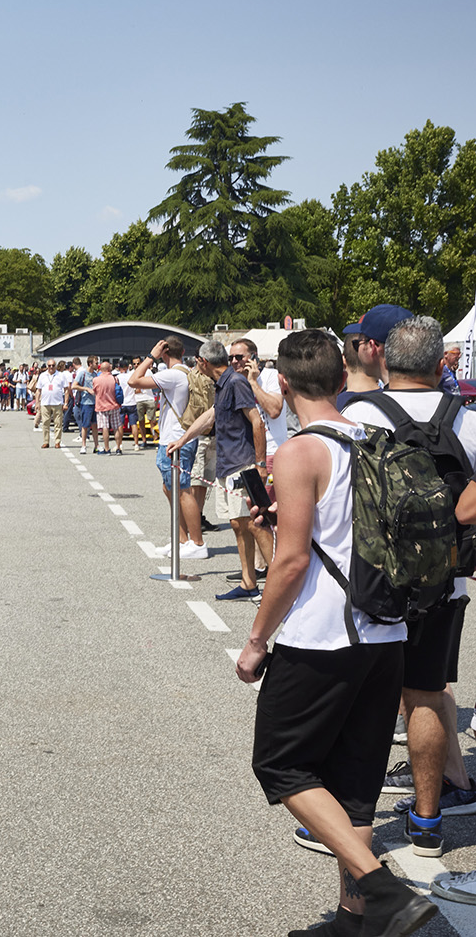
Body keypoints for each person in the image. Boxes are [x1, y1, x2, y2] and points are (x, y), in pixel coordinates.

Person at [236, 329, 437, 937]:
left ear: (285, 384)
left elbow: (292, 561)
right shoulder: (375, 439)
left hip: (323, 636)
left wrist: (256, 640)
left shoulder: (298, 452)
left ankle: (381, 890)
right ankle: (357, 920)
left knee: (281, 765)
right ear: (341, 375)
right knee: (355, 782)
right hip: (386, 633)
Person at [341, 313, 476, 863]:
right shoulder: (467, 420)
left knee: (366, 698)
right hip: (446, 577)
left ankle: (355, 821)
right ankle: (427, 820)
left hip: (375, 578)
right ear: (439, 363)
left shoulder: (357, 416)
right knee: (425, 693)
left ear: (385, 359)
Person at [172, 341, 274, 601]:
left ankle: (277, 584)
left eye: (197, 362)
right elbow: (211, 416)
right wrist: (183, 440)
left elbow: (257, 421)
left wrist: (260, 464)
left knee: (255, 523)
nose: (197, 366)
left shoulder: (236, 382)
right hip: (228, 465)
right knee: (238, 525)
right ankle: (248, 581)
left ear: (204, 362)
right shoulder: (222, 385)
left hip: (243, 464)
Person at [129, 337, 206, 560]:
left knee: (182, 490)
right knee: (170, 488)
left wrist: (151, 356)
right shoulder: (186, 371)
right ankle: (181, 540)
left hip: (176, 438)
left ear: (164, 353)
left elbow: (134, 381)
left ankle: (197, 542)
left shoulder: (173, 375)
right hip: (178, 437)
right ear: (182, 351)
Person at [36, 361, 69, 448]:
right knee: (45, 423)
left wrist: (66, 403)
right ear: (47, 366)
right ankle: (46, 441)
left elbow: (66, 390)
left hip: (57, 403)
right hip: (45, 403)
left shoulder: (61, 375)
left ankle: (57, 441)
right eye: (49, 365)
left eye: (53, 365)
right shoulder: (42, 375)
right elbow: (38, 390)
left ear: (56, 366)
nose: (51, 367)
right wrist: (37, 403)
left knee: (58, 423)